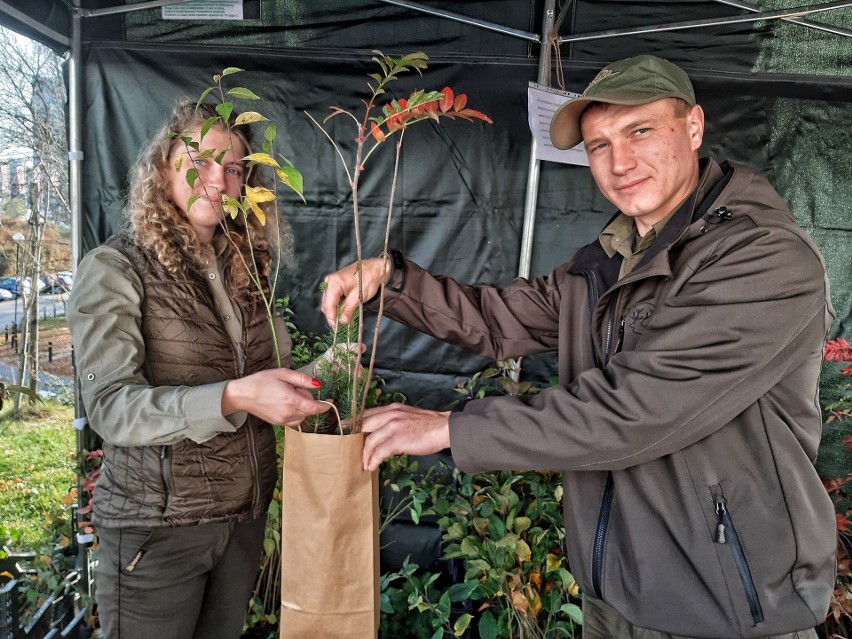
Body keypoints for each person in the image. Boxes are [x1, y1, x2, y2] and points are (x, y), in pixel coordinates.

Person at [321, 55, 837, 638]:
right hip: (614, 593)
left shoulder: (761, 259)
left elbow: (635, 409)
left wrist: (451, 428)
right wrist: (390, 282)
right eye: (597, 145)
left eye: (640, 131)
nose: (620, 163)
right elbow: (499, 320)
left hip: (723, 605)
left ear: (693, 126)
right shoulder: (608, 260)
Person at [68, 99, 333, 639]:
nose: (218, 179)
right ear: (163, 166)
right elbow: (111, 408)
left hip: (239, 525)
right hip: (156, 534)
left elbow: (264, 377)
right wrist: (234, 398)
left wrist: (333, 364)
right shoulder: (116, 269)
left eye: (234, 168)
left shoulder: (244, 269)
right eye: (201, 160)